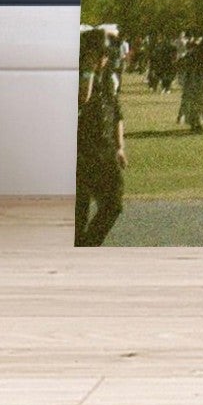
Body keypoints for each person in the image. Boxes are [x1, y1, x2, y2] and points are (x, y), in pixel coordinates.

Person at [75, 26, 127, 246]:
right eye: (99, 54)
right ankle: (79, 248)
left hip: (105, 150)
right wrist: (88, 71)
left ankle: (87, 245)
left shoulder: (107, 80)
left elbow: (117, 114)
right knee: (78, 212)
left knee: (114, 204)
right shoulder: (78, 78)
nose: (104, 59)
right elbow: (82, 99)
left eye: (106, 55)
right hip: (81, 151)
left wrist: (119, 147)